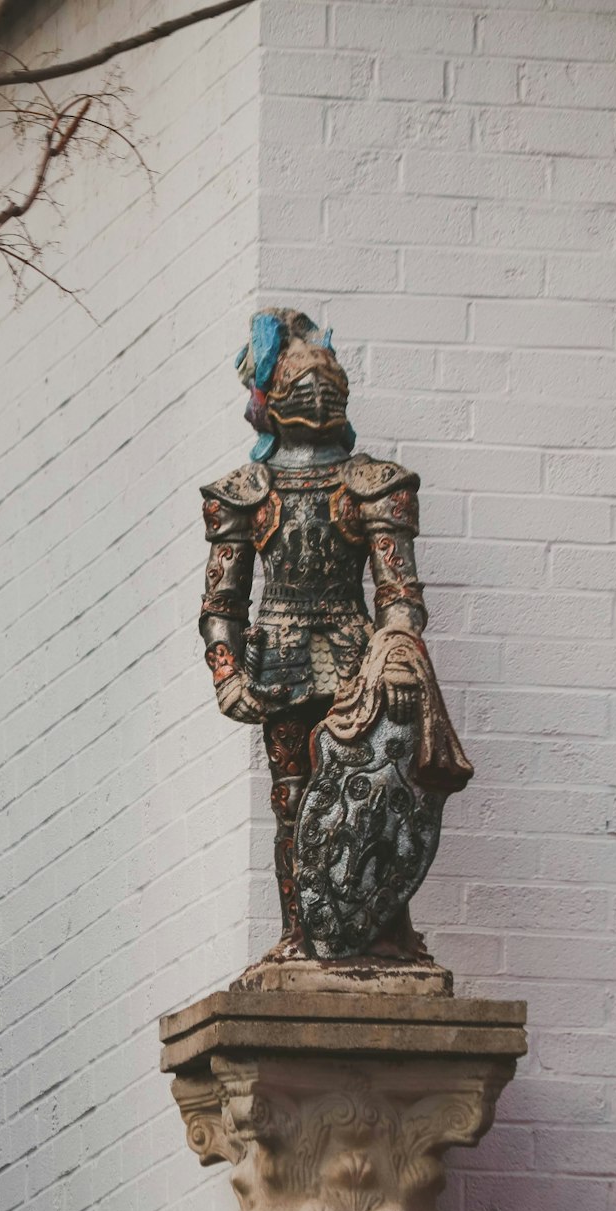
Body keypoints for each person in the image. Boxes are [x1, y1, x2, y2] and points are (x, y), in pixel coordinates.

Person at [199, 309, 469, 961]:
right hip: (281, 665)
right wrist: (227, 673)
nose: (317, 388)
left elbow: (399, 591)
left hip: (361, 667)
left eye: (326, 377)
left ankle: (383, 933)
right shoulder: (247, 492)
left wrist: (399, 651)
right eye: (299, 379)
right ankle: (302, 935)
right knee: (293, 801)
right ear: (268, 396)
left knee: (380, 795)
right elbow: (221, 604)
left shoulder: (371, 485)